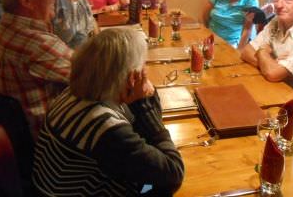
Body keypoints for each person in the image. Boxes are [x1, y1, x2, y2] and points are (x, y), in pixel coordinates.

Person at [32, 28, 184, 196]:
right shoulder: (106, 127)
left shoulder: (75, 92)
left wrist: (142, 98)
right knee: (161, 188)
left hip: (51, 188)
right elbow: (173, 172)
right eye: (143, 67)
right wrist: (143, 103)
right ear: (133, 78)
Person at [0, 0, 72, 139]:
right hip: (53, 141)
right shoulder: (37, 43)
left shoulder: (2, 29)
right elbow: (99, 77)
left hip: (20, 137)